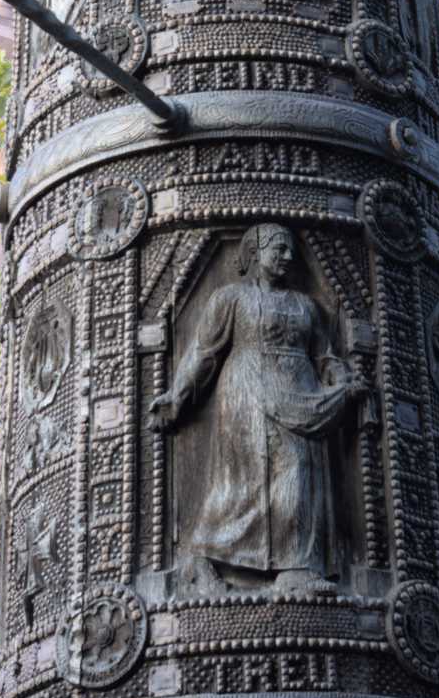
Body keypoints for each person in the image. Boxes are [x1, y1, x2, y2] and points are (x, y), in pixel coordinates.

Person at [150, 225, 361, 597]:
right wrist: (176, 397)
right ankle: (202, 560)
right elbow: (203, 352)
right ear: (254, 253)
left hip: (301, 392)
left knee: (300, 472)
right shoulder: (231, 298)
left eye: (291, 250)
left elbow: (325, 356)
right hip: (247, 393)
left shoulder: (305, 305)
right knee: (242, 483)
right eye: (279, 249)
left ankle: (295, 568)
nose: (288, 257)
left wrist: (342, 381)